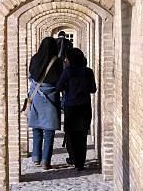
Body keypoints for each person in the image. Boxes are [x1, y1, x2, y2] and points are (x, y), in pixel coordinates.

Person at [56, 47, 97, 171]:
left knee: (71, 134)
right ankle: (80, 163)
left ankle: (73, 158)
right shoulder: (88, 72)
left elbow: (59, 87)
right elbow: (93, 89)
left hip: (71, 106)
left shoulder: (68, 72)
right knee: (82, 135)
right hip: (84, 106)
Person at [27, 37, 63, 170]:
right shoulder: (57, 62)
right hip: (51, 97)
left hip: (36, 95)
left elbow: (30, 75)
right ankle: (45, 161)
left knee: (36, 128)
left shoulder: (35, 58)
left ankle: (36, 157)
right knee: (49, 130)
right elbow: (61, 80)